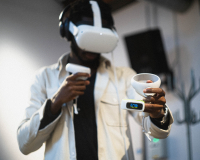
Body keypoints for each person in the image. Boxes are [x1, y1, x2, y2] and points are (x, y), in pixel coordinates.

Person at [17, 0, 173, 160]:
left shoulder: (123, 77)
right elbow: (25, 144)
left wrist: (157, 113)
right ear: (68, 32)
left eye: (100, 38)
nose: (93, 47)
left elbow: (156, 131)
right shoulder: (44, 78)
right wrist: (55, 103)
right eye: (88, 37)